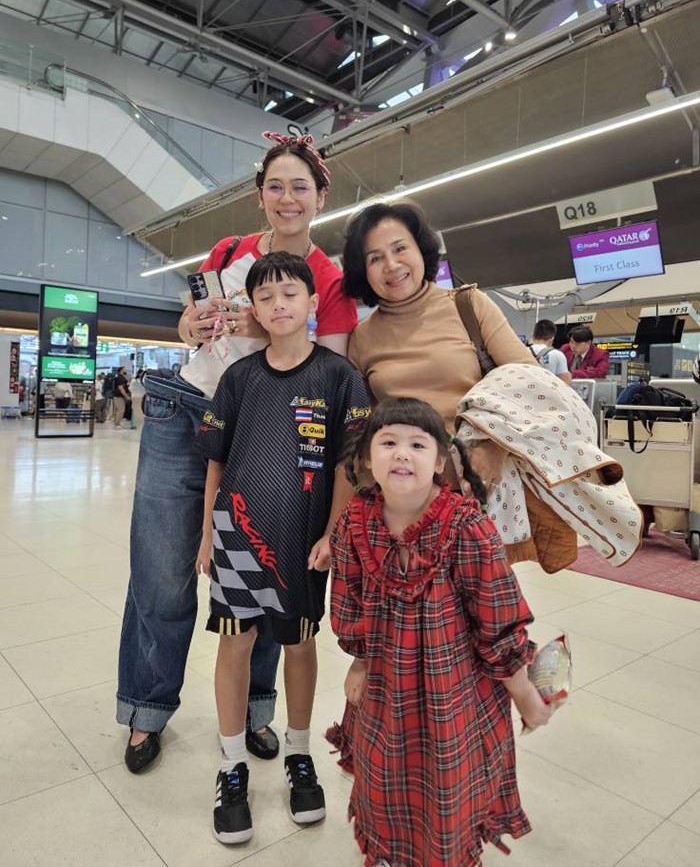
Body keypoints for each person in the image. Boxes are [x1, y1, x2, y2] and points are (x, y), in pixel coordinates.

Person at [116, 131, 357, 775]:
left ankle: (256, 709)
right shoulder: (228, 251)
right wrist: (189, 325)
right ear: (259, 197)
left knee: (270, 567)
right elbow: (189, 326)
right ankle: (146, 708)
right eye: (275, 186)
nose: (287, 198)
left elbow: (329, 366)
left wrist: (267, 324)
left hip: (266, 426)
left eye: (300, 186)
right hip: (183, 408)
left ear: (321, 196)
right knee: (162, 571)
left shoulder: (330, 280)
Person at [330, 397, 551, 867]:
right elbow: (348, 598)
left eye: (417, 444)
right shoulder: (356, 520)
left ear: (439, 461)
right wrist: (360, 660)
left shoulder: (466, 527)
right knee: (384, 770)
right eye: (388, 442)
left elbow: (497, 618)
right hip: (386, 683)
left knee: (446, 782)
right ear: (367, 456)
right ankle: (389, 852)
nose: (402, 453)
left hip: (455, 691)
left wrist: (524, 693)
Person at [195, 252, 369, 844]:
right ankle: (231, 766)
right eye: (265, 297)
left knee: (298, 644)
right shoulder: (238, 378)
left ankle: (299, 753)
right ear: (253, 308)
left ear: (313, 302)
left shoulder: (339, 377)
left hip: (302, 545)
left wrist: (333, 531)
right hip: (237, 538)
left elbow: (348, 463)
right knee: (234, 644)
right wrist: (207, 533)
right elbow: (216, 461)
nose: (278, 305)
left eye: (290, 294)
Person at [341, 199, 534, 491]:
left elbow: (531, 381)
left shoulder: (468, 306)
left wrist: (497, 447)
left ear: (421, 249)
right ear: (363, 271)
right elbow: (363, 425)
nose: (391, 265)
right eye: (375, 258)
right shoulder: (361, 337)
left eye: (400, 248)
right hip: (406, 498)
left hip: (488, 490)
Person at [529, 319, 572, 384]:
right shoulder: (557, 355)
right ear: (552, 339)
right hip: (547, 389)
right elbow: (565, 382)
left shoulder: (522, 352)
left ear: (533, 336)